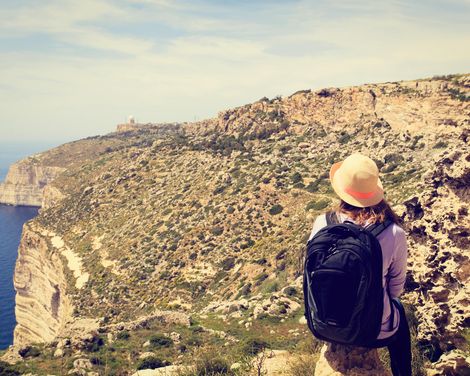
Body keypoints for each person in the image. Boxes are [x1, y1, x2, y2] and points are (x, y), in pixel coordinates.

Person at [308, 153, 412, 376]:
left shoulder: (322, 223)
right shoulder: (394, 233)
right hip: (373, 331)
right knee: (399, 311)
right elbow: (395, 290)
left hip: (323, 326)